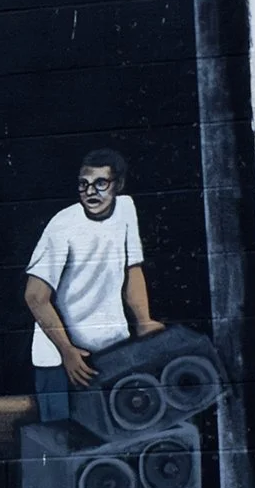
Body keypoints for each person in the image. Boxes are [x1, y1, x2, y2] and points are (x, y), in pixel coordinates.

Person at [23, 149, 163, 422]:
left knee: (115, 443)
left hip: (111, 354)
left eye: (100, 183)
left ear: (118, 185)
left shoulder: (126, 209)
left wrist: (144, 321)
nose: (90, 192)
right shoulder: (62, 226)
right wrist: (67, 352)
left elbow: (131, 269)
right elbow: (35, 296)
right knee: (65, 448)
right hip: (60, 363)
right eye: (83, 184)